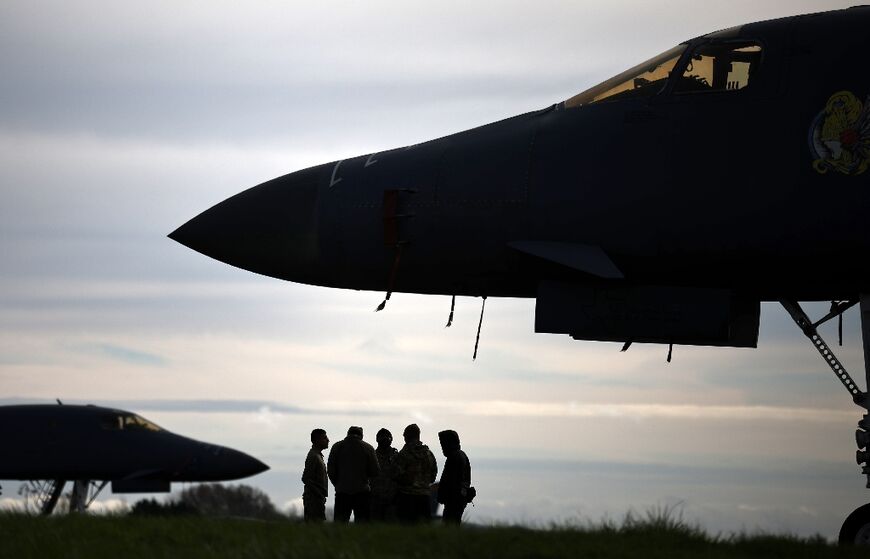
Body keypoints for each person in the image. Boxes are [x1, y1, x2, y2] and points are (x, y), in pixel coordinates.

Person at [327, 425, 379, 523]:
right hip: (362, 492)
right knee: (362, 525)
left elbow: (330, 470)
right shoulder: (368, 448)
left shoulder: (337, 447)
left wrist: (337, 484)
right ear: (361, 435)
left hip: (342, 492)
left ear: (348, 434)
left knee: (340, 524)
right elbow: (375, 471)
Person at [393, 423, 437, 523]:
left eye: (404, 436)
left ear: (408, 436)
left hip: (407, 498)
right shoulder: (429, 454)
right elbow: (433, 477)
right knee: (423, 529)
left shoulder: (404, 454)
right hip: (425, 498)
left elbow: (395, 474)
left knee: (406, 528)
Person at [437, 429, 472, 525]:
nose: (442, 448)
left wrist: (443, 495)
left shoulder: (454, 457)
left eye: (443, 444)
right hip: (459, 499)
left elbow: (450, 481)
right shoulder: (461, 455)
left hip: (454, 501)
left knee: (449, 525)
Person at [370, 428, 399, 522]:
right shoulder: (372, 456)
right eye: (382, 438)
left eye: (386, 438)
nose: (384, 440)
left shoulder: (396, 457)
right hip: (375, 500)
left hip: (392, 500)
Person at [302, 428, 329, 522]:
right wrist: (319, 494)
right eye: (324, 438)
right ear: (317, 440)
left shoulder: (317, 455)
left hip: (317, 499)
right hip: (313, 500)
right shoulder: (313, 456)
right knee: (314, 526)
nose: (328, 440)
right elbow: (306, 478)